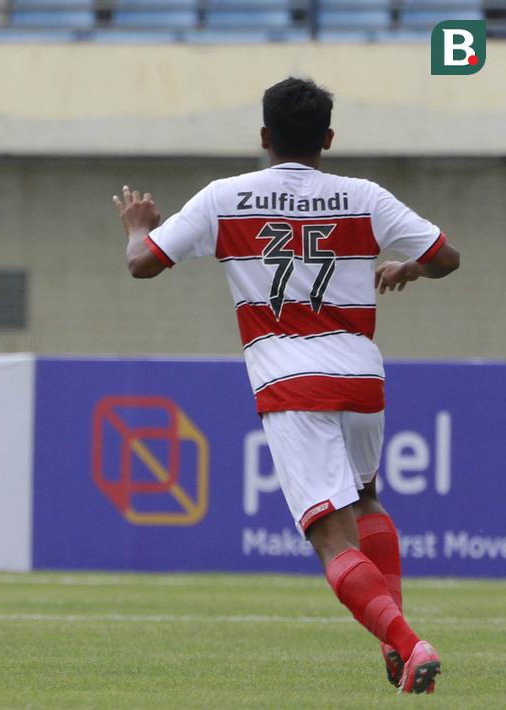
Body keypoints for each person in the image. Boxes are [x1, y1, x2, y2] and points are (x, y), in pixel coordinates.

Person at [114, 78, 458, 694]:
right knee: (366, 497)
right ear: (328, 138)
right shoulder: (363, 196)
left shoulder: (226, 197)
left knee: (331, 536)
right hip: (360, 374)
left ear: (265, 137)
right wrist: (409, 267)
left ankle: (408, 644)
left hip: (291, 378)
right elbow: (447, 257)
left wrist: (139, 225)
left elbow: (142, 264)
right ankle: (394, 638)